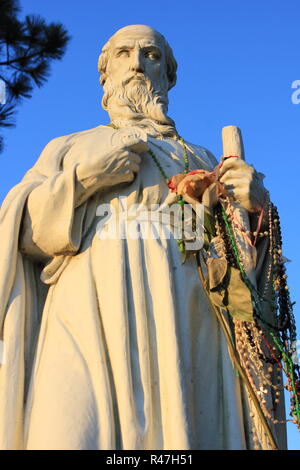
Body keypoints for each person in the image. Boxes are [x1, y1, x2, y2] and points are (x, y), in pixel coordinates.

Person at [0, 24, 287, 450]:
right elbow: (18, 229)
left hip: (187, 315)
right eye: (123, 54)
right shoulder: (70, 146)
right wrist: (81, 181)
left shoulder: (203, 158)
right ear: (106, 73)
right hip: (86, 311)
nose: (136, 64)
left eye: (151, 55)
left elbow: (244, 267)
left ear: (169, 75)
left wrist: (257, 209)